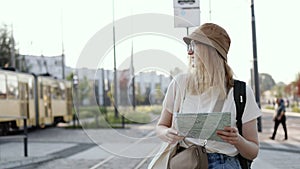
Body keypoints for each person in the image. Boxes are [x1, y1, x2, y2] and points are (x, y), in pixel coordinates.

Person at [148, 23, 262, 169]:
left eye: (194, 46)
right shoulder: (179, 83)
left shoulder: (241, 92)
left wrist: (237, 140)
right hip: (186, 161)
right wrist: (167, 133)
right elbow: (161, 126)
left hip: (225, 163)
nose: (189, 53)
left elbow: (253, 152)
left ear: (210, 51)